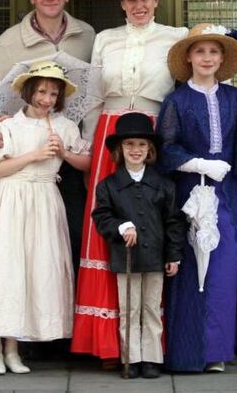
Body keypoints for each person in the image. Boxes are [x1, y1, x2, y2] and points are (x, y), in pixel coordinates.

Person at [71, 0, 189, 361]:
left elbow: (186, 94)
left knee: (153, 223)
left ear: (156, 0)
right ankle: (109, 343)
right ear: (121, 4)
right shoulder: (106, 39)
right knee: (109, 225)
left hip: (155, 133)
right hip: (110, 135)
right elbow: (91, 99)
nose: (138, 6)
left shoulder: (176, 38)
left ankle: (152, 347)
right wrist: (89, 150)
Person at [0, 60, 92, 375]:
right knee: (4, 270)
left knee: (32, 273)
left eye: (54, 94)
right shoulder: (8, 126)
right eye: (42, 91)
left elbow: (87, 161)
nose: (47, 99)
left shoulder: (65, 127)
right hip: (8, 201)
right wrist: (34, 154)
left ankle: (14, 350)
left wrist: (64, 154)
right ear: (29, 91)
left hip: (44, 203)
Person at [0, 0, 95, 276]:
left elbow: (96, 92)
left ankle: (73, 317)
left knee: (75, 234)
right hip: (26, 154)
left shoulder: (88, 36)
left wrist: (88, 147)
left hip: (68, 148)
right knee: (28, 243)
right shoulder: (10, 41)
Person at [156, 23, 237, 373]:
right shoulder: (176, 100)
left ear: (222, 57)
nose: (207, 57)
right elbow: (164, 150)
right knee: (190, 271)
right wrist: (198, 163)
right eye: (200, 51)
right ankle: (189, 351)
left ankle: (218, 351)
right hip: (190, 194)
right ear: (188, 57)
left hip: (225, 193)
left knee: (224, 269)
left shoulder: (234, 98)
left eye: (214, 51)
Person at [90, 113, 184, 379]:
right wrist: (122, 226)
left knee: (152, 308)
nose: (135, 150)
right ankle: (131, 359)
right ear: (120, 149)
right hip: (126, 257)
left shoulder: (164, 185)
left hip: (155, 258)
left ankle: (152, 359)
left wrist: (174, 255)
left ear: (150, 149)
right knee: (129, 309)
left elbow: (174, 221)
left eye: (141, 145)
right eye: (129, 144)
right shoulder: (108, 186)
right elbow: (102, 217)